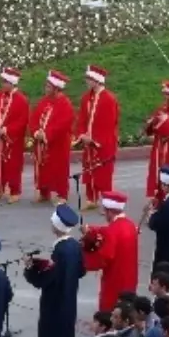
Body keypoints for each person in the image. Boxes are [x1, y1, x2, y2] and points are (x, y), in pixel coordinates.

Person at [25, 205, 86, 337]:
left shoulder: (60, 250)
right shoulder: (74, 245)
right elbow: (81, 270)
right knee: (66, 331)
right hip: (70, 295)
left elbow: (47, 279)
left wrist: (31, 270)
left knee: (52, 332)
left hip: (55, 298)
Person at [82, 191, 140, 311]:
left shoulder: (112, 230)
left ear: (110, 211)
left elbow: (104, 257)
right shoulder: (130, 225)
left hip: (115, 277)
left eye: (105, 211)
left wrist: (85, 259)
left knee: (110, 308)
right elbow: (107, 231)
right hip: (130, 276)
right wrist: (91, 230)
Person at [75, 64, 120, 208]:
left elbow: (109, 124)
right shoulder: (86, 98)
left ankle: (107, 201)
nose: (87, 81)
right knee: (89, 169)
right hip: (89, 142)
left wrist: (94, 139)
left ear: (97, 80)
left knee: (103, 173)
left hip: (104, 143)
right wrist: (82, 134)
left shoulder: (109, 99)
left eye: (89, 79)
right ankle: (91, 199)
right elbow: (81, 118)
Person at [0, 67, 29, 203]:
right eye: (2, 82)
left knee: (13, 165)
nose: (2, 84)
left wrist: (7, 130)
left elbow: (22, 120)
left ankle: (15, 191)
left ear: (12, 83)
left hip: (11, 140)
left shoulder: (21, 100)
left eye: (5, 82)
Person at [30, 70, 75, 203]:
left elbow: (64, 123)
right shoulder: (43, 101)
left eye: (49, 87)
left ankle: (62, 194)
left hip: (58, 143)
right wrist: (36, 131)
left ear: (56, 88)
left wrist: (47, 134)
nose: (46, 89)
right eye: (46, 86)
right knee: (43, 167)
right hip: (42, 142)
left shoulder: (65, 103)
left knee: (59, 168)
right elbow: (34, 118)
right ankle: (44, 192)